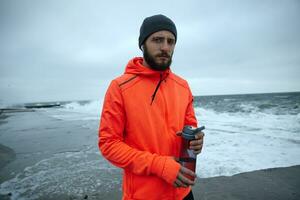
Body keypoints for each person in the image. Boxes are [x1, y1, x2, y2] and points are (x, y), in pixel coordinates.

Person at [99, 14, 204, 200]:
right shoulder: (120, 87)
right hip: (143, 195)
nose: (165, 47)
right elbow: (109, 144)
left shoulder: (183, 86)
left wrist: (195, 140)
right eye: (157, 40)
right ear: (142, 44)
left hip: (182, 192)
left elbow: (189, 128)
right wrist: (159, 165)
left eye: (171, 42)